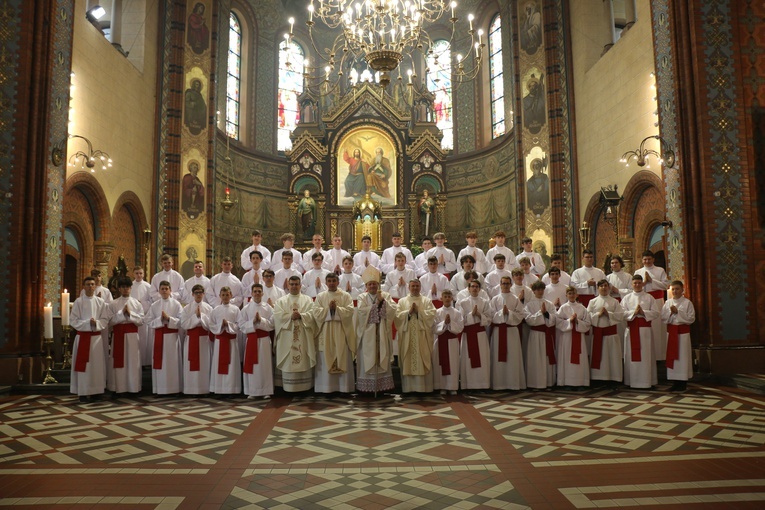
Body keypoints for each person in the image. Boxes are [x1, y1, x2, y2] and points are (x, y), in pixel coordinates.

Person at [355, 266, 397, 394]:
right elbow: (361, 312)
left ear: (378, 284)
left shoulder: (385, 295)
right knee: (368, 357)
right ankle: (366, 387)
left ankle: (381, 387)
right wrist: (376, 306)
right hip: (367, 334)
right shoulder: (362, 297)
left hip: (382, 332)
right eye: (370, 284)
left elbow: (393, 309)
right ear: (367, 285)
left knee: (382, 355)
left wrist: (383, 302)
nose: (372, 286)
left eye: (374, 284)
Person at [313, 273, 356, 393]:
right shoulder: (321, 296)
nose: (331, 283)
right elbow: (316, 312)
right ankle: (326, 389)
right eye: (329, 281)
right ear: (325, 283)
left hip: (341, 332)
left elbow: (350, 311)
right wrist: (329, 310)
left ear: (338, 282)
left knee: (342, 355)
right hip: (325, 333)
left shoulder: (345, 296)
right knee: (325, 357)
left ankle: (344, 388)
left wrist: (336, 309)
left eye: (333, 281)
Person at [274, 276, 317, 392]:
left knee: (303, 357)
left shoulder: (308, 300)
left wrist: (301, 316)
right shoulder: (281, 301)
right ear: (288, 286)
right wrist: (289, 316)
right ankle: (289, 388)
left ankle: (305, 387)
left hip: (302, 336)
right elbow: (277, 316)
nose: (294, 286)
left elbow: (313, 314)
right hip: (287, 336)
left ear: (300, 285)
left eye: (296, 284)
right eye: (291, 284)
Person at [70, 276, 109, 403]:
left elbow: (104, 320)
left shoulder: (100, 302)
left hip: (96, 339)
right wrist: (88, 323)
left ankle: (96, 392)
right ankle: (83, 392)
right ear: (83, 286)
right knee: (84, 367)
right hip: (82, 338)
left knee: (96, 366)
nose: (91, 286)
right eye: (88, 284)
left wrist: (96, 323)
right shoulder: (78, 302)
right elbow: (73, 321)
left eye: (92, 284)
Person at [394, 279, 437, 393]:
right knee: (408, 358)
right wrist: (408, 312)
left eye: (417, 286)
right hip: (408, 335)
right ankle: (409, 389)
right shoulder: (402, 301)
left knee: (422, 357)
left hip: (421, 336)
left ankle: (424, 388)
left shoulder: (426, 301)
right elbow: (397, 316)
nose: (415, 288)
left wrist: (419, 312)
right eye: (412, 286)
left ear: (420, 287)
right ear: (409, 287)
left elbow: (432, 314)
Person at [104, 277, 144, 396]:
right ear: (119, 289)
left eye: (127, 287)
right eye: (123, 287)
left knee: (132, 361)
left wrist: (130, 314)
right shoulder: (113, 303)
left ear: (131, 288)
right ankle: (118, 387)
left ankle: (133, 388)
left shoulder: (136, 303)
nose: (125, 289)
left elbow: (141, 320)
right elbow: (109, 321)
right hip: (118, 336)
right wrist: (122, 314)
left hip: (132, 336)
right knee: (118, 361)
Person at [621, 274, 659, 389]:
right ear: (632, 284)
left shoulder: (649, 297)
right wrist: (634, 312)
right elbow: (621, 313)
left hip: (645, 331)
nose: (637, 285)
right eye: (635, 283)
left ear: (642, 284)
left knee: (646, 356)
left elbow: (656, 312)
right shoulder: (626, 298)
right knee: (631, 356)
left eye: (639, 283)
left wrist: (643, 313)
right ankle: (631, 381)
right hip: (631, 330)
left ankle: (647, 381)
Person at [146, 280, 183, 395]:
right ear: (159, 291)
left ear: (170, 290)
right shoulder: (154, 305)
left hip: (172, 338)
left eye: (166, 289)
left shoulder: (176, 304)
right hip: (159, 337)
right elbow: (147, 320)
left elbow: (182, 321)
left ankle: (174, 389)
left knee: (172, 363)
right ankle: (160, 389)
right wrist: (160, 320)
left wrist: (169, 319)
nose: (164, 291)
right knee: (160, 364)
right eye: (162, 289)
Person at [239, 284, 275, 399]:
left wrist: (261, 321)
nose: (257, 293)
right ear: (251, 293)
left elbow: (272, 324)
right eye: (255, 291)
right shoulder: (246, 308)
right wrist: (253, 322)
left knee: (264, 365)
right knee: (253, 366)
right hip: (252, 340)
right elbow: (241, 325)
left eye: (259, 291)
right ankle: (252, 391)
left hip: (264, 340)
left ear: (263, 293)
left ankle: (266, 391)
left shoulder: (268, 308)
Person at [490, 276, 526, 391]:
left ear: (511, 285)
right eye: (503, 283)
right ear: (500, 285)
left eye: (507, 283)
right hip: (498, 331)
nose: (505, 285)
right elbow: (490, 316)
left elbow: (521, 315)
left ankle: (513, 384)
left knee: (512, 357)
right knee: (498, 358)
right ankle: (498, 384)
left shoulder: (515, 299)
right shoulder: (495, 299)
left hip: (511, 331)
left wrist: (508, 313)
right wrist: (502, 313)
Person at [587, 279, 625, 387]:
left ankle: (613, 379)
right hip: (598, 334)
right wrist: (598, 314)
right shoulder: (592, 302)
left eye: (605, 286)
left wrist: (609, 314)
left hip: (611, 334)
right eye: (601, 286)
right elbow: (588, 316)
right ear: (598, 288)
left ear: (609, 288)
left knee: (612, 357)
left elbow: (620, 315)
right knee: (601, 357)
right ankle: (598, 378)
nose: (604, 288)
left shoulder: (614, 301)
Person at [633, 250, 669, 361]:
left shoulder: (660, 270)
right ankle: (645, 354)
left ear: (653, 259)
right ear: (642, 260)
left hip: (657, 301)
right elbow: (636, 286)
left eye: (649, 259)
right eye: (645, 259)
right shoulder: (638, 271)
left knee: (658, 328)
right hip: (643, 300)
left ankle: (659, 356)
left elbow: (666, 285)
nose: (647, 261)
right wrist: (644, 282)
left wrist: (651, 280)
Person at [457, 281, 492, 391]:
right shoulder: (463, 303)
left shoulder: (485, 302)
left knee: (482, 358)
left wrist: (479, 315)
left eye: (477, 287)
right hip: (468, 334)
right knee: (467, 359)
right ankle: (468, 385)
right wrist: (471, 315)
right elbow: (460, 320)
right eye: (472, 286)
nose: (475, 288)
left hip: (480, 334)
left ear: (480, 289)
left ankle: (482, 384)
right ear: (468, 288)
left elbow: (489, 319)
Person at [661, 280, 695, 392]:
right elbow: (663, 318)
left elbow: (691, 319)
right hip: (671, 333)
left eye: (677, 289)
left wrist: (678, 313)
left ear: (682, 290)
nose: (675, 291)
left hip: (682, 335)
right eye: (673, 289)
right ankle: (675, 382)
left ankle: (683, 383)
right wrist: (671, 313)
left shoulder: (687, 303)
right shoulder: (667, 303)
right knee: (673, 357)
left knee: (682, 357)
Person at [180, 284, 213, 396]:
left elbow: (211, 325)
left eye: (200, 292)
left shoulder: (209, 308)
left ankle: (204, 389)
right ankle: (191, 389)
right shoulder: (187, 308)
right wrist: (196, 317)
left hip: (204, 340)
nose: (198, 295)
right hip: (191, 339)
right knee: (191, 364)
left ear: (203, 294)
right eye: (196, 293)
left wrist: (201, 316)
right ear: (192, 294)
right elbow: (183, 324)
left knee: (204, 364)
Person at [208, 287, 242, 396]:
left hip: (231, 341)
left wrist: (229, 325)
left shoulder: (236, 309)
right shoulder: (216, 310)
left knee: (231, 365)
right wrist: (220, 326)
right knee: (219, 364)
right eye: (223, 295)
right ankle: (219, 389)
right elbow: (211, 325)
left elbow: (239, 324)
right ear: (220, 296)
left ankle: (231, 389)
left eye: (227, 295)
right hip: (220, 341)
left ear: (231, 295)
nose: (225, 297)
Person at [556, 287, 591, 388]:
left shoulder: (582, 308)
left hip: (579, 336)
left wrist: (577, 322)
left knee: (580, 359)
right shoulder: (563, 307)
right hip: (567, 336)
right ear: (566, 295)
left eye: (573, 293)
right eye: (569, 293)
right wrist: (569, 321)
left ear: (577, 295)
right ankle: (567, 382)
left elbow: (588, 323)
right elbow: (558, 322)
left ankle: (580, 382)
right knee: (567, 358)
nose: (571, 295)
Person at [524, 281, 558, 389]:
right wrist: (540, 313)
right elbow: (528, 320)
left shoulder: (549, 304)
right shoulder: (529, 304)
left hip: (547, 334)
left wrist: (547, 314)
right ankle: (536, 383)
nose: (540, 291)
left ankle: (548, 382)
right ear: (533, 291)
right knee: (536, 358)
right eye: (538, 290)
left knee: (547, 358)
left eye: (542, 289)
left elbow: (554, 318)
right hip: (536, 334)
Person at [432, 289, 464, 395]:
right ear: (441, 298)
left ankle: (452, 386)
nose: (447, 299)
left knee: (453, 363)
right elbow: (433, 327)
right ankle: (442, 386)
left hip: (452, 341)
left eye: (449, 296)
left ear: (452, 298)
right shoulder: (437, 312)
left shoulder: (457, 313)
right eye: (445, 296)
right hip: (440, 340)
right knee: (440, 363)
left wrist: (450, 324)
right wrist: (443, 324)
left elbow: (460, 327)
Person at [130, 266, 153, 366]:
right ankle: (135, 361)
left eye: (140, 273)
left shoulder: (148, 286)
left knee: (144, 339)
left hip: (144, 315)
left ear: (143, 274)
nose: (139, 275)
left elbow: (151, 301)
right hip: (133, 316)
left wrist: (142, 304)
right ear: (133, 274)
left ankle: (144, 362)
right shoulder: (130, 285)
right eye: (137, 273)